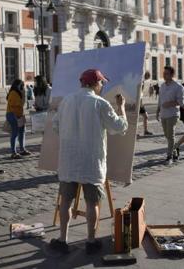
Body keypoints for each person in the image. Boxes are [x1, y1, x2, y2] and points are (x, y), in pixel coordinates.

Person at [50, 69, 128, 255]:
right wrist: (122, 108)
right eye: (101, 83)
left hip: (69, 160)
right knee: (92, 203)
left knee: (66, 201)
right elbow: (120, 127)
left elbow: (55, 126)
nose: (102, 86)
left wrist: (71, 134)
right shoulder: (99, 103)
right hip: (91, 162)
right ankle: (91, 242)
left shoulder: (66, 101)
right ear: (95, 83)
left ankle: (62, 239)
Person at [156, 66, 184, 165]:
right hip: (163, 114)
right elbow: (160, 100)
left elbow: (181, 102)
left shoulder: (178, 86)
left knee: (171, 135)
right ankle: (175, 149)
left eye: (166, 74)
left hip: (173, 114)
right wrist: (157, 111)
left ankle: (169, 156)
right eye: (164, 73)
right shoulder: (162, 86)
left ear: (172, 75)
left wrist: (170, 103)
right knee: (167, 135)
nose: (164, 75)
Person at [6, 80, 31, 159]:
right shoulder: (14, 93)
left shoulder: (17, 93)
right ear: (17, 85)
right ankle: (13, 152)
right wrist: (23, 94)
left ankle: (22, 149)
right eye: (21, 85)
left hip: (19, 115)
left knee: (22, 132)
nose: (22, 87)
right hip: (13, 115)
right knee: (15, 133)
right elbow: (20, 104)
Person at [139, 71, 153, 136]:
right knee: (135, 118)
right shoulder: (140, 80)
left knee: (146, 116)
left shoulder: (143, 81)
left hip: (140, 102)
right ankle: (134, 133)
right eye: (148, 76)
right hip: (137, 102)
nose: (147, 78)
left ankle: (145, 131)